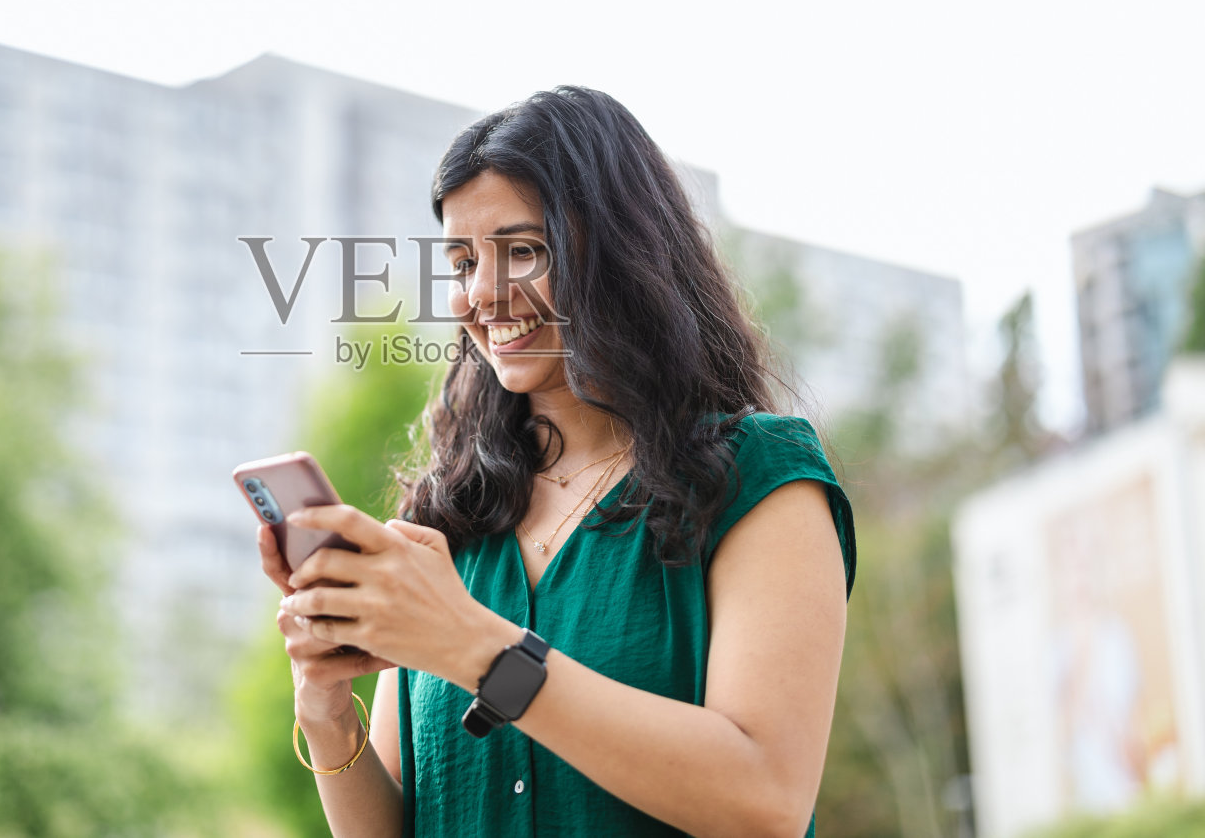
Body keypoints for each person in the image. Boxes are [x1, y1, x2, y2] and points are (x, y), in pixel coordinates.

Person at [258, 86, 856, 838]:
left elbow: (766, 800)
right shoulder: (446, 527)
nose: (482, 294)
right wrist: (325, 711)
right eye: (463, 262)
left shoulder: (758, 478)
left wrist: (475, 645)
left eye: (523, 251)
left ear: (620, 251)